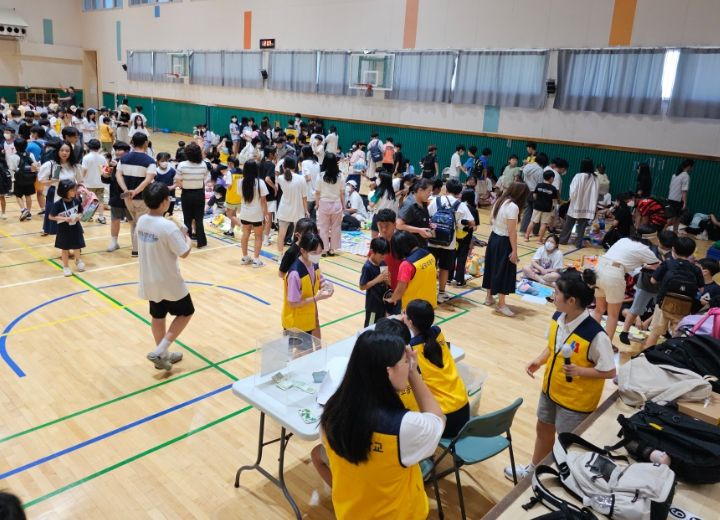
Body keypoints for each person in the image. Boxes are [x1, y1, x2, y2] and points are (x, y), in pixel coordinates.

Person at [319, 330, 445, 518]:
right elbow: (438, 420)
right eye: (405, 361)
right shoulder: (405, 426)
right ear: (388, 372)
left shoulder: (331, 412)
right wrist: (413, 373)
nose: (408, 364)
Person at [505, 268, 615, 481]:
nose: (553, 295)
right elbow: (553, 347)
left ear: (571, 300)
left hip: (575, 402)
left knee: (568, 444)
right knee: (543, 430)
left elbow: (609, 370)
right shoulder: (557, 317)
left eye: (556, 293)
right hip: (550, 390)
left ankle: (567, 482)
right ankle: (533, 472)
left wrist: (580, 371)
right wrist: (539, 360)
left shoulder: (595, 335)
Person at [137, 182, 193, 371]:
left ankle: (163, 356)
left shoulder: (141, 221)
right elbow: (184, 252)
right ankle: (160, 350)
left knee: (158, 315)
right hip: (168, 281)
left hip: (149, 278)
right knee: (186, 312)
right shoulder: (168, 227)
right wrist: (187, 237)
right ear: (163, 202)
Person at [403, 300, 469, 438]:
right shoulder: (438, 333)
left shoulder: (412, 350)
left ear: (410, 322)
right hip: (464, 408)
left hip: (445, 419)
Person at [593, 236, 660, 345]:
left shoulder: (624, 240)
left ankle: (589, 341)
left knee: (598, 309)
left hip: (598, 268)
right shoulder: (646, 249)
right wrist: (646, 265)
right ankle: (606, 346)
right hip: (614, 273)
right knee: (613, 315)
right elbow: (658, 267)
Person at [644, 236, 704, 348]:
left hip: (663, 304)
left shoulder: (667, 264)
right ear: (692, 252)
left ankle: (646, 354)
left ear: (673, 249)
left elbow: (653, 280)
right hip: (684, 307)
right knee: (677, 336)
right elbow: (701, 290)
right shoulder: (695, 269)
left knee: (655, 333)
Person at [618, 229, 675, 345]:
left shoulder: (673, 254)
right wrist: (648, 266)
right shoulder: (649, 249)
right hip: (645, 284)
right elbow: (639, 264)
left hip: (662, 287)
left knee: (662, 311)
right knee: (635, 309)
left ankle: (663, 333)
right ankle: (624, 332)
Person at [483, 182, 529, 317]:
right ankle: (501, 305)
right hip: (503, 241)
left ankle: (488, 297)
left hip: (493, 238)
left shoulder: (499, 200)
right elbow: (511, 231)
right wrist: (514, 251)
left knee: (491, 267)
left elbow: (491, 221)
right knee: (504, 271)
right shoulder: (513, 206)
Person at [427, 178, 475, 303]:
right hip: (449, 243)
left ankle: (428, 291)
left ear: (446, 189)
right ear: (459, 192)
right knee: (444, 268)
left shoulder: (436, 200)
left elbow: (428, 216)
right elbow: (471, 223)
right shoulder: (461, 205)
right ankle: (441, 293)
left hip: (432, 239)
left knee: (430, 267)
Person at [281, 232, 333, 339]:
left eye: (319, 252)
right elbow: (293, 303)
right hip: (295, 323)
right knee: (298, 350)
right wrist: (317, 298)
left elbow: (319, 280)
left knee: (308, 348)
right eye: (314, 252)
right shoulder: (295, 274)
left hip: (308, 319)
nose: (317, 255)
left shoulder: (314, 264)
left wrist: (326, 286)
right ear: (303, 251)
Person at [116, 132, 157, 257]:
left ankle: (136, 247)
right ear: (146, 143)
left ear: (132, 143)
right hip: (142, 198)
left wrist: (126, 190)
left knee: (134, 222)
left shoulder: (123, 159)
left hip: (127, 198)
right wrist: (136, 191)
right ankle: (137, 250)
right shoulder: (150, 161)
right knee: (141, 224)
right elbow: (148, 180)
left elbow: (118, 175)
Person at [38, 141, 83, 236]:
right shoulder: (51, 164)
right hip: (55, 194)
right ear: (57, 151)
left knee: (71, 222)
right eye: (62, 150)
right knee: (56, 224)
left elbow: (80, 181)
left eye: (67, 151)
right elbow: (41, 180)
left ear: (71, 152)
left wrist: (80, 190)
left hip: (70, 196)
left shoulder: (74, 166)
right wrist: (53, 180)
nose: (64, 153)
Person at [385, 230, 437, 310]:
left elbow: (400, 290)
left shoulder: (406, 265)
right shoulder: (430, 255)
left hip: (413, 308)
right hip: (430, 304)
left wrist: (392, 299)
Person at [175, 142, 209, 249]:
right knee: (199, 219)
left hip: (187, 194)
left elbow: (178, 181)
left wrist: (183, 186)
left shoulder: (182, 165)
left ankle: (187, 241)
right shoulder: (203, 164)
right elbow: (205, 179)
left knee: (187, 219)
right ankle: (201, 242)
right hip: (199, 194)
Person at [49, 179, 86, 277]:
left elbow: (81, 212)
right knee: (64, 248)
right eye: (72, 190)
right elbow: (51, 216)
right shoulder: (58, 204)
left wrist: (79, 216)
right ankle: (65, 267)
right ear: (65, 191)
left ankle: (78, 260)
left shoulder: (76, 201)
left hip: (76, 227)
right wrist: (64, 218)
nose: (75, 191)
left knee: (77, 246)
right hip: (63, 229)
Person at [559, 158, 599, 248]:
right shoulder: (595, 178)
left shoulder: (578, 176)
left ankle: (563, 240)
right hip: (587, 206)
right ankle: (578, 243)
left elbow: (573, 191)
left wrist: (571, 198)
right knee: (582, 226)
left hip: (576, 204)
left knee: (569, 224)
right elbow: (596, 193)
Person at [238, 160, 269, 267]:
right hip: (256, 214)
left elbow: (241, 196)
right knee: (258, 237)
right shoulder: (260, 183)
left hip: (245, 213)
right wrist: (266, 214)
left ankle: (245, 257)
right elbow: (263, 201)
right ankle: (256, 260)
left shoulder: (241, 182)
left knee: (245, 234)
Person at [103, 141, 133, 252]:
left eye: (120, 150)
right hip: (115, 196)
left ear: (127, 151)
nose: (117, 152)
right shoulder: (112, 163)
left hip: (129, 197)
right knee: (115, 220)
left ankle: (136, 243)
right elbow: (105, 179)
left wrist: (118, 167)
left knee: (132, 221)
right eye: (115, 150)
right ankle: (114, 242)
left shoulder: (130, 163)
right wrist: (106, 171)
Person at [315, 153, 344, 256]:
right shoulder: (340, 176)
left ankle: (324, 249)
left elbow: (317, 192)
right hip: (336, 204)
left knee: (323, 228)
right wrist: (343, 205)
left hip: (324, 203)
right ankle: (332, 249)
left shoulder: (320, 175)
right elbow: (342, 192)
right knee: (336, 227)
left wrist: (317, 204)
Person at [449, 188, 479, 287]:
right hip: (466, 238)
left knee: (452, 256)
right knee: (461, 258)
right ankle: (459, 280)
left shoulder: (458, 206)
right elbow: (474, 227)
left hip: (455, 236)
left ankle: (448, 278)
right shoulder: (474, 210)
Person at [360, 237, 392, 327]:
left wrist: (387, 280)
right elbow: (362, 286)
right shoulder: (367, 267)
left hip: (383, 302)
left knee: (380, 325)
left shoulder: (383, 263)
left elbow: (387, 283)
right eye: (381, 256)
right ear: (372, 251)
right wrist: (377, 279)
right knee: (370, 327)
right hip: (373, 305)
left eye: (385, 255)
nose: (383, 258)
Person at [396, 178, 433, 248]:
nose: (430, 194)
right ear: (420, 190)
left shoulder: (423, 202)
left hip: (421, 244)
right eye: (429, 191)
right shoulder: (409, 205)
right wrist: (419, 230)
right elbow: (399, 225)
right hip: (410, 247)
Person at [525, 169, 558, 243]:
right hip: (547, 209)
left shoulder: (539, 185)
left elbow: (534, 195)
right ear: (551, 178)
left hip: (537, 207)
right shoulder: (553, 188)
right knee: (544, 224)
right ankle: (539, 240)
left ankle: (526, 237)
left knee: (532, 222)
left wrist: (538, 201)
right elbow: (554, 201)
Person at [519, 152, 547, 234]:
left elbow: (522, 174)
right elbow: (540, 184)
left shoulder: (528, 166)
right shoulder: (540, 171)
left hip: (526, 190)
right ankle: (535, 231)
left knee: (528, 210)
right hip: (535, 192)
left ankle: (523, 230)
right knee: (537, 212)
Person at [11, 139, 39, 221]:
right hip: (30, 178)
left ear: (15, 146)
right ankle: (29, 213)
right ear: (26, 146)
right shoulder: (30, 154)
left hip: (19, 179)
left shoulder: (13, 156)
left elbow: (13, 168)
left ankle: (24, 210)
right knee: (28, 195)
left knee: (18, 195)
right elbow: (35, 165)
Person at [81, 139, 108, 224]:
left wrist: (81, 180)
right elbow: (105, 171)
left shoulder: (86, 158)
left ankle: (88, 216)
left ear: (89, 146)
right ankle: (101, 217)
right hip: (100, 183)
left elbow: (84, 170)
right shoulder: (103, 158)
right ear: (99, 147)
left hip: (88, 183)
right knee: (100, 201)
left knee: (88, 200)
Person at [369, 171, 399, 238]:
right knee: (386, 237)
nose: (377, 179)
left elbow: (372, 204)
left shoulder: (379, 191)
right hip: (389, 218)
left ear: (382, 180)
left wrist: (370, 199)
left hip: (379, 215)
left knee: (374, 237)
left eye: (379, 178)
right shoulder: (391, 192)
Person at [667, 159, 693, 233]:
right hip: (678, 200)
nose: (692, 169)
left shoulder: (674, 175)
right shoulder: (686, 176)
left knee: (674, 217)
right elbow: (684, 191)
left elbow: (670, 187)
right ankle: (666, 231)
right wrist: (685, 202)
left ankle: (674, 233)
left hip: (671, 198)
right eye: (692, 167)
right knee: (674, 218)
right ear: (689, 166)